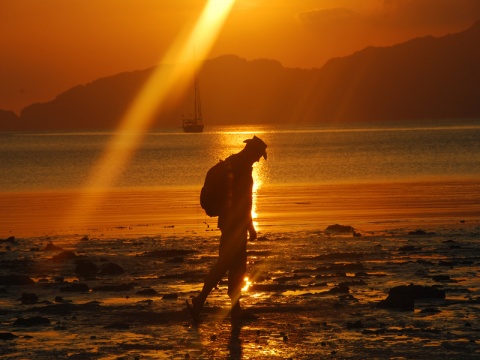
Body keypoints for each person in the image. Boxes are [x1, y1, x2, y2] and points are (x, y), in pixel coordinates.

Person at [187, 135, 268, 322]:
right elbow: (245, 202)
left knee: (233, 266)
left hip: (229, 223)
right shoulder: (240, 170)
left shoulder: (233, 164)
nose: (258, 159)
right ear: (252, 151)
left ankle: (230, 307)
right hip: (235, 225)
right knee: (229, 266)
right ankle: (202, 302)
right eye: (258, 155)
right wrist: (251, 227)